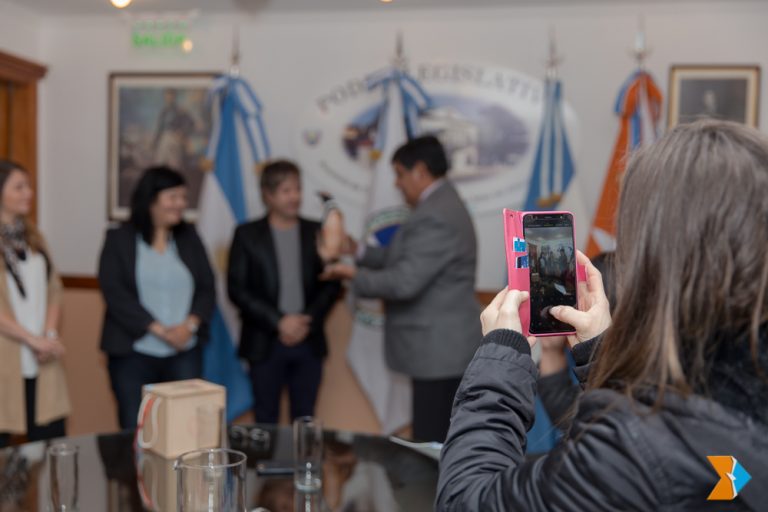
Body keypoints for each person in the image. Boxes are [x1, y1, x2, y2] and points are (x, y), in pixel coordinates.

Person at [437, 120, 768, 510]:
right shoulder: (725, 398)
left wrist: (500, 359)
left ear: (657, 258)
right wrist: (601, 357)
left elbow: (465, 501)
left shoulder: (635, 450)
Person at [322, 135, 481, 443]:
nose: (396, 183)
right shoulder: (439, 204)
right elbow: (405, 259)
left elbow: (404, 281)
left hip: (439, 352)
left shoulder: (435, 214)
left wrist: (352, 274)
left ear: (420, 171)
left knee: (432, 442)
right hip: (440, 349)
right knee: (435, 437)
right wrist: (357, 251)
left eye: (399, 174)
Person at [98, 166, 215, 429]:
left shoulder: (189, 237)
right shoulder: (119, 238)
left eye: (183, 198)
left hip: (184, 350)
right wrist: (159, 330)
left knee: (185, 429)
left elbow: (207, 288)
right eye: (173, 197)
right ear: (151, 200)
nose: (180, 204)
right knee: (137, 428)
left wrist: (189, 326)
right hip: (133, 353)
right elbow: (115, 293)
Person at [227, 160, 341, 424]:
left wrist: (306, 319)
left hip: (308, 339)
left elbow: (332, 283)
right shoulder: (246, 235)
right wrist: (279, 321)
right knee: (265, 418)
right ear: (268, 195)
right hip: (264, 341)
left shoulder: (317, 231)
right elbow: (237, 289)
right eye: (286, 191)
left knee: (305, 419)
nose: (295, 197)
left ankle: (302, 458)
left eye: (298, 189)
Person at [0, 160, 70, 448]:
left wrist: (48, 336)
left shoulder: (35, 237)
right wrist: (31, 339)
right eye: (19, 187)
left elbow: (55, 289)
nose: (28, 193)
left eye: (28, 186)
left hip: (43, 357)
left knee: (50, 442)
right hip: (7, 357)